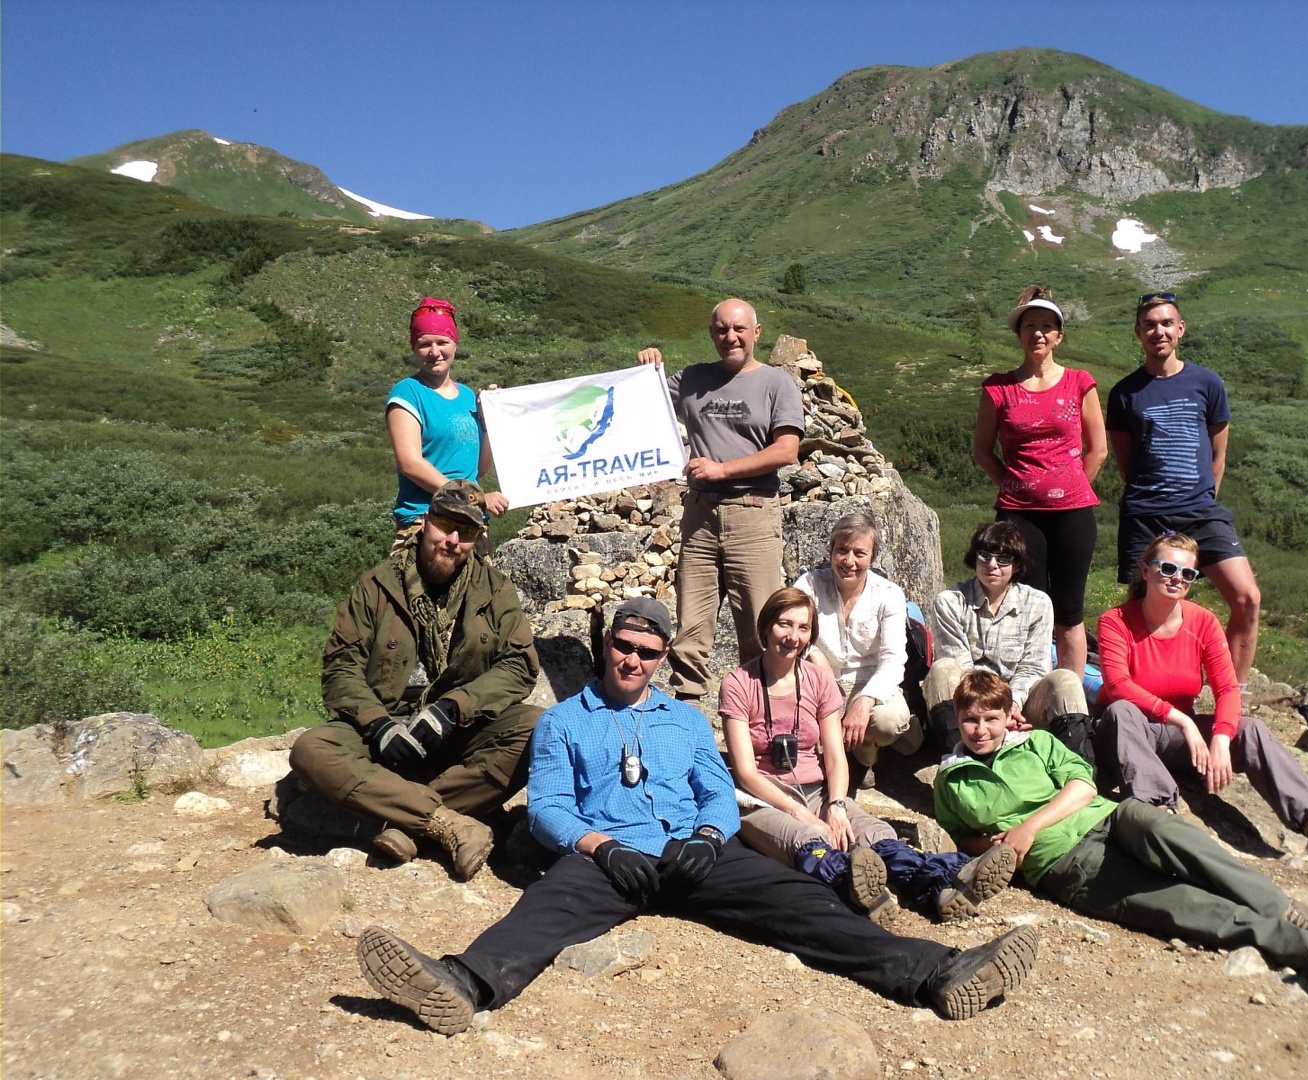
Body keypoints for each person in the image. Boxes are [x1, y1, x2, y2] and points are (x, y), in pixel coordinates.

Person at [356, 598, 1040, 1035]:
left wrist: (712, 836)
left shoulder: (683, 720)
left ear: (660, 660)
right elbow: (549, 808)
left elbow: (718, 791)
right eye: (623, 646)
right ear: (607, 646)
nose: (632, 659)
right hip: (607, 861)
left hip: (694, 854)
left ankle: (940, 972)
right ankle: (462, 983)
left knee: (806, 903)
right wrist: (598, 846)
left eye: (647, 652)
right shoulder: (564, 721)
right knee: (543, 909)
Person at [934, 670, 1308, 987]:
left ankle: (1281, 906)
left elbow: (1083, 785)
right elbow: (959, 836)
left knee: (1178, 838)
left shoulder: (1038, 742)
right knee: (1178, 905)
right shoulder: (950, 779)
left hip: (1108, 816)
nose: (980, 730)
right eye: (970, 720)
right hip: (1065, 864)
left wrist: (1026, 828)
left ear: (1009, 715)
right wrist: (993, 845)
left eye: (991, 718)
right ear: (957, 718)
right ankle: (1305, 948)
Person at [289, 480, 542, 880]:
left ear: (476, 538)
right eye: (445, 525)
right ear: (425, 522)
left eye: (467, 532)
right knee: (311, 749)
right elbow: (341, 666)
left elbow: (519, 665)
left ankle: (403, 821)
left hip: (455, 734)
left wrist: (454, 708)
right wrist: (377, 723)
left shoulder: (494, 590)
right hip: (383, 737)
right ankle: (449, 822)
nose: (453, 540)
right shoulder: (376, 586)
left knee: (537, 727)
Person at [720, 587, 1016, 923]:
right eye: (784, 625)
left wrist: (838, 805)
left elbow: (834, 755)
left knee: (875, 833)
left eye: (803, 628)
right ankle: (856, 889)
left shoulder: (818, 679)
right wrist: (799, 813)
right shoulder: (739, 683)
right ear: (766, 627)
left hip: (816, 789)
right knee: (811, 838)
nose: (793, 637)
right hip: (761, 799)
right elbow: (745, 771)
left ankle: (939, 884)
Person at [1092, 533, 1308, 859]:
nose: (1177, 578)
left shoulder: (1202, 621)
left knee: (1251, 730)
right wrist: (1184, 723)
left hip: (1174, 737)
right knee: (1121, 709)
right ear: (1146, 570)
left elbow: (1228, 688)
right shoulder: (1115, 621)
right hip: (1125, 733)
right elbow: (1119, 684)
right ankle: (1161, 814)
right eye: (1167, 568)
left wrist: (1221, 737)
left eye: (1187, 573)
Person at [636, 298, 804, 700]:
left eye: (739, 329)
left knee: (762, 628)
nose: (731, 337)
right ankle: (689, 717)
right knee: (691, 628)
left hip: (754, 515)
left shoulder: (778, 384)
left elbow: (786, 450)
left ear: (756, 333)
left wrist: (721, 469)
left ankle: (764, 719)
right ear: (712, 334)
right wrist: (645, 370)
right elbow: (639, 404)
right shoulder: (692, 378)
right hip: (700, 516)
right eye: (722, 330)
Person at [1106, 292, 1261, 681]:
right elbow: (1125, 461)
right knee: (1143, 606)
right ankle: (1147, 690)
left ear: (1180, 329)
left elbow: (1218, 453)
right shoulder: (1124, 393)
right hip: (1145, 512)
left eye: (1165, 323)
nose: (1158, 331)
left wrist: (1205, 495)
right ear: (1138, 333)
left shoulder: (1207, 383)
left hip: (1201, 511)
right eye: (1149, 325)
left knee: (1246, 598)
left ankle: (1232, 693)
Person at [973, 286, 1106, 675]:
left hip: (1073, 515)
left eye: (1047, 326)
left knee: (1070, 610)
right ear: (1019, 334)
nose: (1038, 334)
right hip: (1019, 517)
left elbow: (1097, 449)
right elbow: (983, 451)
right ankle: (1030, 693)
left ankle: (1070, 701)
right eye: (1030, 326)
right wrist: (1013, 486)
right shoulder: (998, 388)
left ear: (1059, 336)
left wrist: (1074, 488)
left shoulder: (1080, 382)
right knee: (1027, 606)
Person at [923, 522, 1091, 759]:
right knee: (943, 669)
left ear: (1017, 564)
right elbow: (960, 670)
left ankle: (1078, 770)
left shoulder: (1038, 603)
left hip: (1019, 704)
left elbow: (1034, 667)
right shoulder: (949, 601)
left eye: (1003, 559)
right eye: (985, 555)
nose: (992, 565)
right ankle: (960, 761)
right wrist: (994, 714)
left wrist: (1011, 706)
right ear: (974, 557)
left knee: (1066, 680)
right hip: (969, 709)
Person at [794, 512, 924, 788]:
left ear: (872, 557)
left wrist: (864, 702)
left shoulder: (888, 594)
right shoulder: (809, 585)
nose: (849, 561)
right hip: (818, 679)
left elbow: (893, 659)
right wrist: (813, 655)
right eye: (842, 550)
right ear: (831, 550)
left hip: (869, 679)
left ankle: (864, 758)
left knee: (888, 722)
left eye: (859, 553)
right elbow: (789, 631)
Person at [386, 297, 508, 550]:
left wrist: (488, 422)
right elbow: (410, 463)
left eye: (442, 342)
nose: (434, 352)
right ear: (413, 347)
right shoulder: (407, 393)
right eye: (424, 344)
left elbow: (479, 470)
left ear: (455, 343)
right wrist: (475, 498)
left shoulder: (467, 396)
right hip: (425, 521)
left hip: (472, 524)